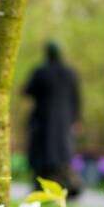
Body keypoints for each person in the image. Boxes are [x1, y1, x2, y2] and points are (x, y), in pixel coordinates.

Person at [22, 41, 82, 192]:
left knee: (42, 155)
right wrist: (76, 120)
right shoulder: (70, 73)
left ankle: (44, 186)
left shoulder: (41, 72)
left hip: (43, 120)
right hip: (64, 122)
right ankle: (63, 185)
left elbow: (27, 91)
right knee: (61, 155)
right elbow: (76, 99)